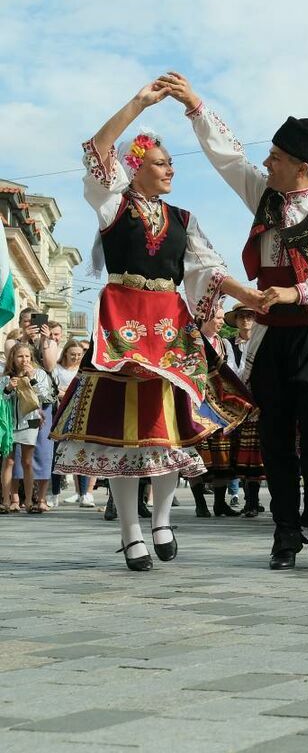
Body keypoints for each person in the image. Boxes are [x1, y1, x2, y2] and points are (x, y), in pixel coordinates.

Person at [52, 80, 262, 571]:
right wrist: (140, 104)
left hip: (170, 327)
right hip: (123, 323)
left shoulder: (183, 218)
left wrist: (248, 295)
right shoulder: (113, 204)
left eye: (170, 163)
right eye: (161, 162)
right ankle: (130, 532)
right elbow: (98, 149)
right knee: (126, 434)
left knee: (169, 429)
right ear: (136, 167)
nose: (170, 169)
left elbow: (208, 270)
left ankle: (163, 519)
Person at [165, 72, 308, 570]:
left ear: (302, 165)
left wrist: (295, 290)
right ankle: (284, 531)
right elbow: (228, 156)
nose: (266, 162)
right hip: (273, 334)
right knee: (274, 431)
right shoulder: (265, 194)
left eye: (275, 157)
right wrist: (195, 106)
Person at [191, 304, 245, 518]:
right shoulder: (192, 340)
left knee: (222, 455)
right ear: (205, 318)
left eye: (223, 318)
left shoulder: (224, 344)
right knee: (197, 456)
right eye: (219, 318)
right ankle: (200, 503)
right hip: (198, 404)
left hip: (220, 407)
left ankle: (220, 503)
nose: (222, 322)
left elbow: (231, 371)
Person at [223, 303, 266, 517]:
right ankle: (249, 500)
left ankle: (253, 500)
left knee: (258, 452)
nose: (246, 320)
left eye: (250, 316)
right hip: (241, 401)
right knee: (243, 451)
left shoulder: (263, 341)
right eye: (241, 317)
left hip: (262, 400)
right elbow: (232, 371)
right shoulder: (229, 343)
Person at [3, 343, 57, 512]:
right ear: (13, 358)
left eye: (27, 356)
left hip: (30, 422)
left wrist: (32, 378)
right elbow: (2, 399)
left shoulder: (39, 373)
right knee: (9, 461)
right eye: (20, 356)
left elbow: (45, 397)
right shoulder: (6, 376)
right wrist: (8, 388)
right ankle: (6, 501)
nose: (24, 360)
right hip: (9, 423)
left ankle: (28, 501)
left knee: (27, 461)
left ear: (31, 358)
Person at [51, 339, 95, 508]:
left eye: (79, 355)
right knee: (56, 454)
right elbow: (55, 390)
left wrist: (67, 391)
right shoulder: (57, 369)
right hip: (60, 414)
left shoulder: (83, 369)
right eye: (73, 355)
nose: (76, 358)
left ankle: (84, 494)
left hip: (78, 414)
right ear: (65, 354)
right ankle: (54, 493)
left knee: (80, 453)